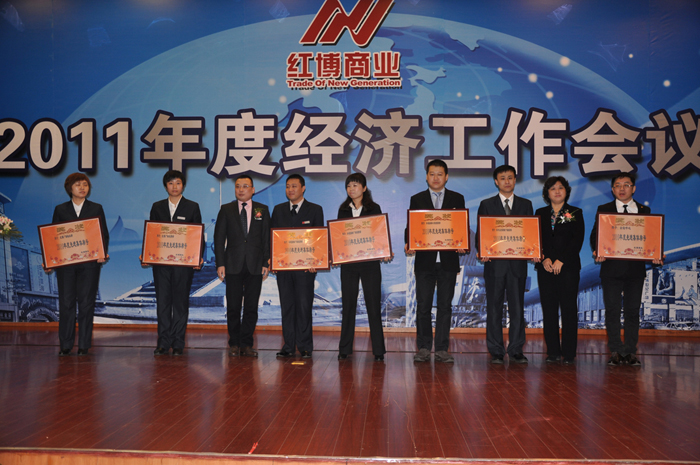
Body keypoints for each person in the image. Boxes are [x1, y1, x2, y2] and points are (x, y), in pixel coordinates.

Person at [590, 172, 662, 366]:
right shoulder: (604, 209)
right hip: (611, 270)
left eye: (626, 185)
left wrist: (655, 253)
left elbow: (650, 237)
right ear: (613, 189)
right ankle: (615, 351)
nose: (622, 189)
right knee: (612, 311)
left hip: (635, 270)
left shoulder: (644, 210)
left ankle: (630, 351)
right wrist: (598, 250)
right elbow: (595, 235)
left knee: (632, 311)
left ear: (634, 188)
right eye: (618, 185)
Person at [405, 159, 466, 363]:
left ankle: (441, 348)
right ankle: (423, 347)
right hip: (425, 262)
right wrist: (409, 242)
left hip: (448, 261)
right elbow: (411, 226)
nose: (436, 178)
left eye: (440, 174)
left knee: (445, 306)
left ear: (446, 177)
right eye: (432, 174)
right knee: (423, 305)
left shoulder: (457, 198)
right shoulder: (417, 199)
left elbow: (460, 226)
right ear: (426, 177)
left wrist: (462, 242)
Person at [477, 164, 533, 364]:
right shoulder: (486, 204)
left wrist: (533, 250)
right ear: (496, 181)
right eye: (502, 178)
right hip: (494, 265)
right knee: (494, 309)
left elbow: (529, 232)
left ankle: (516, 349)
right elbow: (482, 232)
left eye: (510, 177)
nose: (507, 181)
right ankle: (496, 351)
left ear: (515, 180)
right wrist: (481, 251)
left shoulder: (525, 205)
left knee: (517, 309)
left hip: (517, 266)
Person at [52, 173, 109, 356]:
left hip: (89, 264)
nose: (82, 188)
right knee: (66, 303)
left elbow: (103, 234)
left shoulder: (96, 208)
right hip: (66, 265)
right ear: (70, 188)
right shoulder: (60, 209)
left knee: (86, 304)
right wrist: (51, 259)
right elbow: (54, 237)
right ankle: (65, 345)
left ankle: (84, 344)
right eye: (78, 185)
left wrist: (101, 252)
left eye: (85, 184)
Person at [214, 174, 270, 357]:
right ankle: (234, 343)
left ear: (253, 189)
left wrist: (266, 262)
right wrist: (220, 263)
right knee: (233, 306)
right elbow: (219, 238)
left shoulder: (262, 209)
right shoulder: (226, 209)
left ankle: (246, 343)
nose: (241, 189)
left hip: (255, 264)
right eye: (238, 186)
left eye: (245, 186)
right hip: (232, 264)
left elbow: (266, 238)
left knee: (251, 307)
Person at [148, 170, 202, 356]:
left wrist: (198, 256)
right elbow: (152, 234)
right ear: (165, 186)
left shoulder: (192, 207)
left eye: (178, 183)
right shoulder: (157, 207)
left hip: (183, 265)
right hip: (161, 265)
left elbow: (197, 235)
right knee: (163, 303)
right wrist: (147, 255)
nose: (174, 187)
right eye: (170, 183)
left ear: (183, 185)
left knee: (180, 303)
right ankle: (163, 342)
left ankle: (178, 342)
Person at [270, 174, 324, 359]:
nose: (290, 189)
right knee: (287, 307)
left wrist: (316, 261)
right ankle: (288, 346)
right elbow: (273, 238)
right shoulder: (278, 210)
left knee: (303, 306)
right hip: (284, 268)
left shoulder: (315, 209)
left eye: (294, 186)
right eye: (287, 186)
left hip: (305, 269)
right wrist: (272, 259)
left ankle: (305, 346)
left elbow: (319, 239)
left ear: (303, 188)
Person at [336, 173, 387, 362]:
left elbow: (379, 233)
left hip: (370, 264)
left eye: (355, 185)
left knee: (373, 306)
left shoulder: (374, 208)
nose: (351, 189)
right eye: (349, 186)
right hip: (349, 265)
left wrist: (384, 249)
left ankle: (378, 351)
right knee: (348, 306)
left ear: (364, 188)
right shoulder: (343, 210)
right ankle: (344, 348)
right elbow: (339, 236)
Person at [534, 176, 584, 364]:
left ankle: (569, 353)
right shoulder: (540, 213)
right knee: (549, 310)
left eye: (560, 188)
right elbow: (535, 238)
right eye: (552, 188)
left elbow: (577, 240)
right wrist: (544, 258)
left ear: (566, 191)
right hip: (545, 268)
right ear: (547, 193)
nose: (557, 191)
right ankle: (553, 352)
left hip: (568, 268)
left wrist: (561, 260)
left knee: (569, 310)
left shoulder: (575, 212)